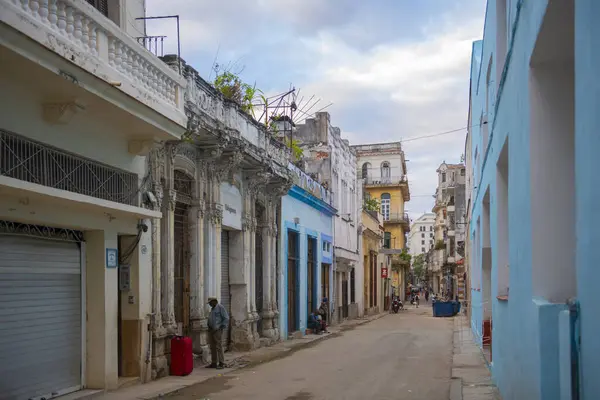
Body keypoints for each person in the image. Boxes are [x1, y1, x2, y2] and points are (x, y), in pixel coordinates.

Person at [206, 297, 229, 370]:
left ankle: (221, 363)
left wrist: (221, 326)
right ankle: (214, 362)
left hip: (217, 330)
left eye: (210, 302)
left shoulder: (220, 307)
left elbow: (226, 318)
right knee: (212, 347)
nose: (209, 304)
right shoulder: (212, 309)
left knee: (219, 346)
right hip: (211, 330)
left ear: (214, 301)